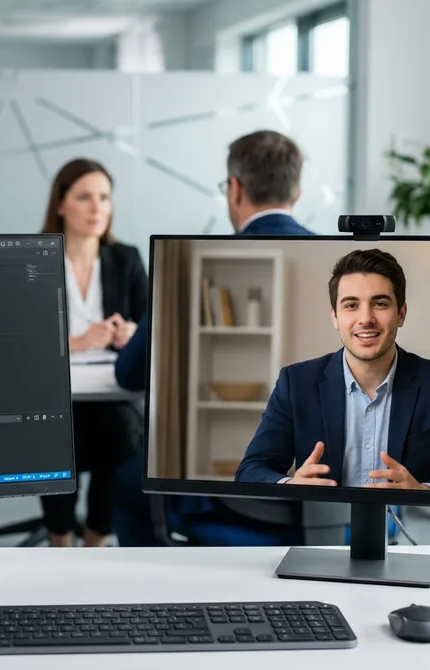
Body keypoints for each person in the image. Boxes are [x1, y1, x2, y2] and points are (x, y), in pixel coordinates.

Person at [111, 130, 314, 546]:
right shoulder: (353, 269)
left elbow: (129, 374)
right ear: (297, 190)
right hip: (334, 505)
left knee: (126, 483)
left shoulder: (193, 267)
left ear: (235, 189)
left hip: (225, 494)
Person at [234, 248, 430, 494]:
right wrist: (292, 484)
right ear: (334, 317)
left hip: (404, 537)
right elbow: (250, 471)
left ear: (401, 314)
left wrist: (423, 492)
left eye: (380, 303)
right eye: (351, 305)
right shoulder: (296, 383)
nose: (366, 318)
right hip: (322, 536)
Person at [42, 157, 147, 547]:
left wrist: (130, 334)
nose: (97, 207)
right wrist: (78, 342)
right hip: (55, 394)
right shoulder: (35, 257)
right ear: (60, 204)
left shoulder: (126, 259)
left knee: (123, 433)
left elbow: (147, 326)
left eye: (104, 197)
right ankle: (60, 537)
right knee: (53, 434)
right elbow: (22, 339)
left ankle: (97, 537)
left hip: (108, 394)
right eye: (84, 197)